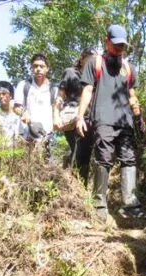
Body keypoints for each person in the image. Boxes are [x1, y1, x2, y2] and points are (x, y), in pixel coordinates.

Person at [75, 24, 146, 221]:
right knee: (103, 158)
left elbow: (132, 95)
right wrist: (80, 116)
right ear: (106, 41)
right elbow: (87, 90)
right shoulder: (94, 63)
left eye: (122, 46)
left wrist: (138, 116)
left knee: (129, 159)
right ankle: (99, 203)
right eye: (115, 44)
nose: (119, 49)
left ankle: (130, 203)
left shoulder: (128, 68)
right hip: (103, 119)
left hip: (125, 121)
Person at [53, 48, 96, 185]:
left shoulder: (95, 77)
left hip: (89, 119)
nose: (92, 62)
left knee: (85, 157)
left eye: (94, 59)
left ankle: (81, 190)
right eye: (89, 58)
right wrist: (55, 115)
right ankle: (70, 187)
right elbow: (60, 96)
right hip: (72, 118)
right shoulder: (70, 72)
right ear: (82, 58)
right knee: (77, 151)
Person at [14, 53, 57, 161]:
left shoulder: (53, 89)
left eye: (41, 66)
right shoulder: (24, 85)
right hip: (26, 135)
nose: (38, 69)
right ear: (32, 68)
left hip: (47, 136)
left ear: (47, 69)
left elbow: (57, 111)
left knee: (47, 170)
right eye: (35, 66)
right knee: (25, 167)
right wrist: (23, 113)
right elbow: (16, 107)